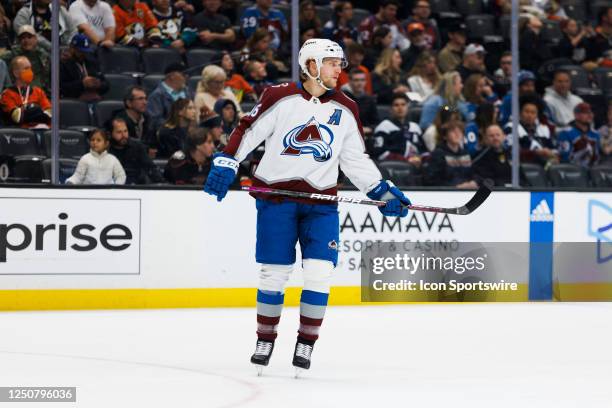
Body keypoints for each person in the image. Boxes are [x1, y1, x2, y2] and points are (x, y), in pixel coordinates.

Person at [203, 38, 411, 373]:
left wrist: (380, 190)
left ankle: (305, 343)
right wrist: (227, 162)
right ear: (311, 65)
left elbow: (354, 159)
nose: (338, 70)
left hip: (321, 204)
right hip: (277, 200)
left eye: (340, 64)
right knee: (274, 274)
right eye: (332, 63)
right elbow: (248, 130)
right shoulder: (279, 95)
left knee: (320, 273)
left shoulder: (346, 107)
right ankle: (265, 338)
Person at [504, 95, 559, 167]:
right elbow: (511, 152)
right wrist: (536, 153)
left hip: (544, 166)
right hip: (521, 166)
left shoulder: (544, 129)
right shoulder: (511, 127)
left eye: (533, 112)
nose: (529, 115)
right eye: (526, 111)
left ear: (537, 115)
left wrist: (553, 154)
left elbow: (554, 149)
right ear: (520, 113)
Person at [371, 92, 424, 165]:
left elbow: (424, 150)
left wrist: (422, 158)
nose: (400, 108)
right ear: (390, 109)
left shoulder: (415, 127)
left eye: (403, 104)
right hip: (396, 167)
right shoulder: (383, 127)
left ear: (408, 107)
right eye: (396, 105)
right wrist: (405, 160)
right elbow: (380, 153)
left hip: (418, 165)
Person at [108, 117, 163, 184]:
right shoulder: (106, 148)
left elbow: (150, 167)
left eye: (125, 131)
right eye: (119, 132)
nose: (124, 135)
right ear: (110, 134)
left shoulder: (137, 146)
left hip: (136, 185)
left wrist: (162, 184)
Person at [424, 120, 479, 188]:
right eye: (453, 132)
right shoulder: (438, 154)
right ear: (445, 136)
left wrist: (474, 182)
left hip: (467, 191)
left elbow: (473, 173)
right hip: (447, 193)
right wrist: (455, 187)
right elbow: (432, 180)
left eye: (460, 132)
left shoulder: (465, 153)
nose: (457, 134)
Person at [0, 55, 51, 128]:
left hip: (43, 129)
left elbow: (50, 113)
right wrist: (38, 110)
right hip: (23, 135)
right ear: (16, 73)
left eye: (30, 68)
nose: (30, 72)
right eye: (26, 68)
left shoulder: (38, 91)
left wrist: (27, 112)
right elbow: (17, 117)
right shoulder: (7, 94)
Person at [60, 33, 109, 101]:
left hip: (94, 99)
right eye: (80, 51)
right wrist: (82, 84)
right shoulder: (63, 64)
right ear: (72, 48)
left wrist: (99, 84)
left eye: (85, 51)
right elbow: (61, 88)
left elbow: (106, 84)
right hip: (73, 100)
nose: (83, 54)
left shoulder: (92, 62)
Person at [1, 25, 50, 93]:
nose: (26, 40)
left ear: (35, 39)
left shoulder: (43, 55)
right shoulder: (12, 54)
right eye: (23, 38)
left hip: (39, 92)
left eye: (29, 37)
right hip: (17, 92)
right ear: (19, 40)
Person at [147, 62, 191, 131]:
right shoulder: (157, 95)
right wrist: (177, 125)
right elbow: (155, 121)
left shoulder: (188, 93)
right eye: (183, 74)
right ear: (171, 76)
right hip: (169, 135)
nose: (187, 77)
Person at [557, 103, 600, 167]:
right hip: (572, 171)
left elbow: (597, 157)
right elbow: (565, 158)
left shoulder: (596, 134)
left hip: (592, 171)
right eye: (586, 113)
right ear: (576, 115)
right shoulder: (566, 133)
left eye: (591, 112)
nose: (590, 115)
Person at [340, 68, 379, 135]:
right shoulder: (342, 98)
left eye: (362, 80)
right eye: (356, 80)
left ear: (366, 82)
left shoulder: (370, 99)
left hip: (365, 136)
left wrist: (370, 128)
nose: (360, 83)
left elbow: (376, 122)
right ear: (349, 81)